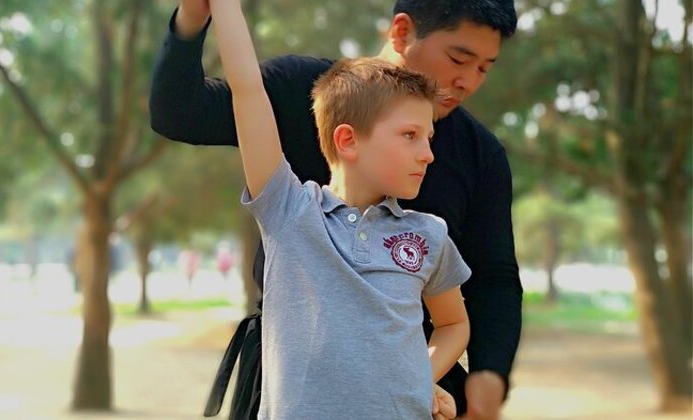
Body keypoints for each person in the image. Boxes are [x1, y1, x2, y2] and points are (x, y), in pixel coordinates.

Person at [150, 1, 522, 418]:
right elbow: (222, 97)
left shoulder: (469, 171)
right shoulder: (293, 186)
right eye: (459, 57)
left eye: (485, 68)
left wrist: (464, 377)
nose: (469, 81)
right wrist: (207, 11)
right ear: (401, 31)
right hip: (291, 383)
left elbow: (491, 281)